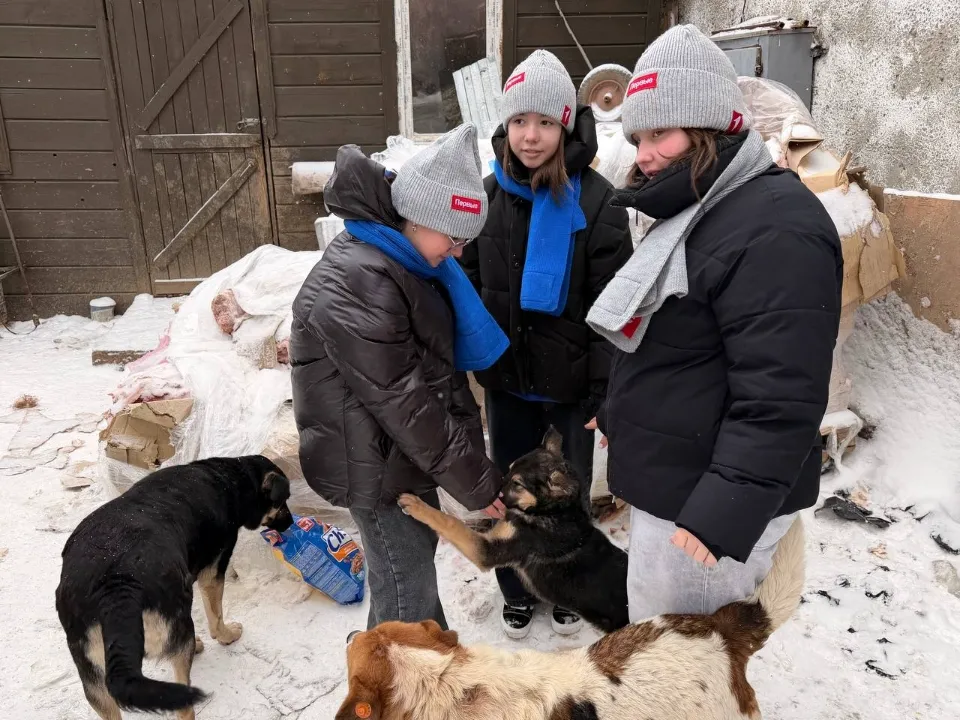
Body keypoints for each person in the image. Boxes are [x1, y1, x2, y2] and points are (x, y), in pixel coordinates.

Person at [586, 25, 842, 621]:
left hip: (704, 510)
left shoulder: (775, 226)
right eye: (638, 136)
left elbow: (780, 391)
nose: (643, 155)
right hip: (679, 484)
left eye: (661, 133)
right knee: (659, 651)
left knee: (684, 664)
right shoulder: (704, 210)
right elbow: (678, 345)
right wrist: (621, 411)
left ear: (711, 127)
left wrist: (723, 509)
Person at [289, 124, 508, 631]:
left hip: (393, 455)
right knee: (406, 589)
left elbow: (437, 376)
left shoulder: (401, 261)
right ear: (421, 218)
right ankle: (398, 674)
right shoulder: (363, 279)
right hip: (372, 464)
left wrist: (470, 466)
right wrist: (476, 481)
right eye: (454, 239)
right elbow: (406, 402)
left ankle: (420, 656)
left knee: (409, 576)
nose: (459, 253)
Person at [460, 50, 633, 638]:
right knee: (509, 492)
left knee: (566, 497)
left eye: (544, 123)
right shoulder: (486, 196)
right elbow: (470, 284)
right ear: (505, 124)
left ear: (566, 125)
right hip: (507, 380)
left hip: (571, 386)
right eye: (518, 121)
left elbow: (612, 305)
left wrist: (602, 389)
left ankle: (569, 585)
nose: (530, 137)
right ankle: (515, 586)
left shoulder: (597, 200)